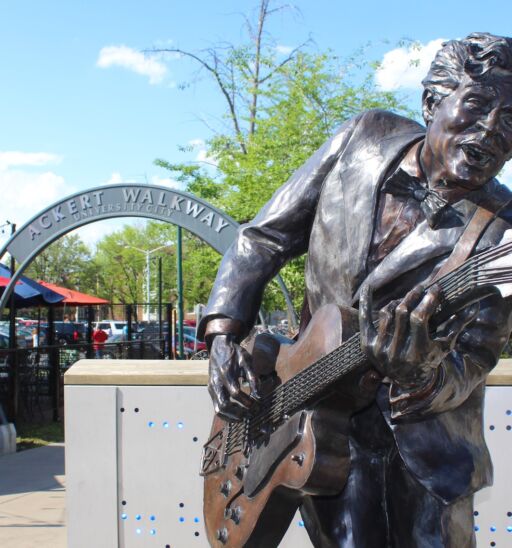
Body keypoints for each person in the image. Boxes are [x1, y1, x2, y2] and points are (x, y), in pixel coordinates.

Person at [198, 33, 512, 547]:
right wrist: (222, 337)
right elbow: (262, 238)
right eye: (475, 106)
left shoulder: (502, 234)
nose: (490, 133)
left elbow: (474, 357)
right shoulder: (364, 138)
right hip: (315, 432)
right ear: (433, 101)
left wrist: (422, 374)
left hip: (422, 463)